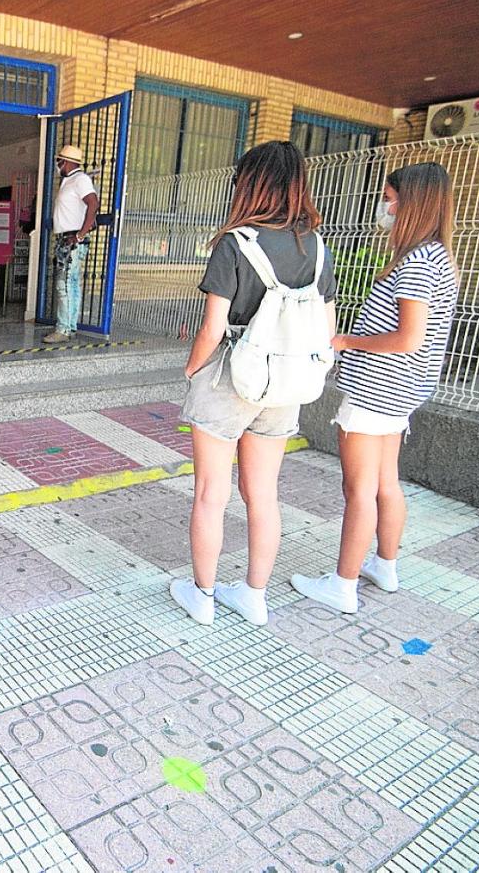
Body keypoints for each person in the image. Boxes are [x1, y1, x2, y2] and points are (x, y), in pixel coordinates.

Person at [170, 141, 336, 627]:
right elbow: (327, 330)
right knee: (263, 494)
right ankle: (254, 595)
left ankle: (202, 596)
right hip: (285, 382)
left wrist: (191, 370)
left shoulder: (236, 243)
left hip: (229, 377)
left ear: (251, 182)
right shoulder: (318, 247)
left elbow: (212, 328)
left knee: (209, 494)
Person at [291, 163, 459, 613]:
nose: (385, 207)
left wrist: (346, 340)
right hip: (402, 391)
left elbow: (408, 338)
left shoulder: (420, 263)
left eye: (390, 198)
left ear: (411, 204)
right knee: (386, 483)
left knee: (359, 489)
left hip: (377, 391)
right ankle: (385, 564)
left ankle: (342, 584)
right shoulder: (437, 258)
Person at [43, 144, 98, 344]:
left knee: (63, 284)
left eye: (59, 161)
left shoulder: (80, 179)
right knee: (71, 283)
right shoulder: (70, 181)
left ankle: (63, 329)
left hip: (72, 240)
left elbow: (93, 203)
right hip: (67, 239)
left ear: (64, 161)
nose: (58, 165)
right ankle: (70, 326)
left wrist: (80, 235)